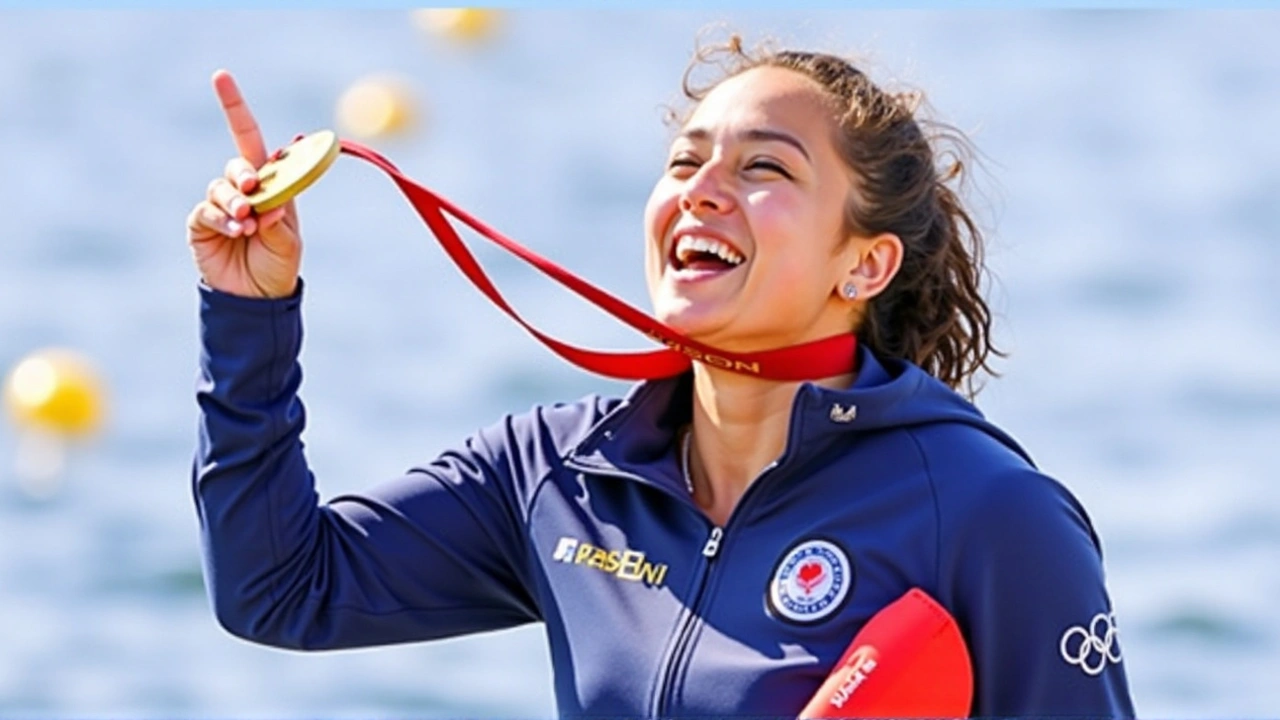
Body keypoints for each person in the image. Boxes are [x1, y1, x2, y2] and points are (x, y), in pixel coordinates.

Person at [187, 36, 1136, 718]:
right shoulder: (561, 472)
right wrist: (249, 311)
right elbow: (279, 586)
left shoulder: (985, 511)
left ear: (866, 265)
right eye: (685, 160)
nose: (702, 187)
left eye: (765, 167)